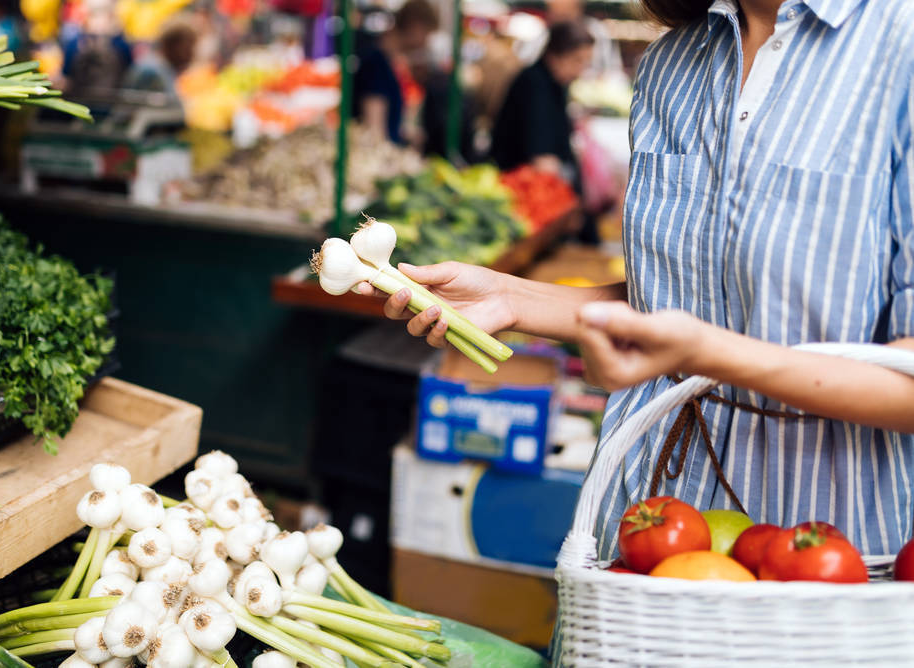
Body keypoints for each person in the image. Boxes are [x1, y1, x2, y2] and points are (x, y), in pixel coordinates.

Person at [360, 0, 914, 560]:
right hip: (645, 514)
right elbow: (678, 295)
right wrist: (510, 296)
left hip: (823, 545)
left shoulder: (900, 47)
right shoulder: (671, 64)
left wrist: (708, 354)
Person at [489, 21, 593, 178]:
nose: (580, 71)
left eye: (585, 63)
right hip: (518, 181)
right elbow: (542, 161)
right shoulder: (534, 85)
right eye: (577, 60)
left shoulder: (556, 83)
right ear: (555, 56)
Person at [352, 0, 439, 144]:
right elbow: (375, 131)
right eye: (427, 34)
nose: (426, 42)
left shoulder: (386, 62)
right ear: (415, 26)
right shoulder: (376, 65)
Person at [122, 15, 199, 103]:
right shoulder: (152, 71)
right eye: (189, 47)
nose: (192, 54)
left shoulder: (162, 68)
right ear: (175, 44)